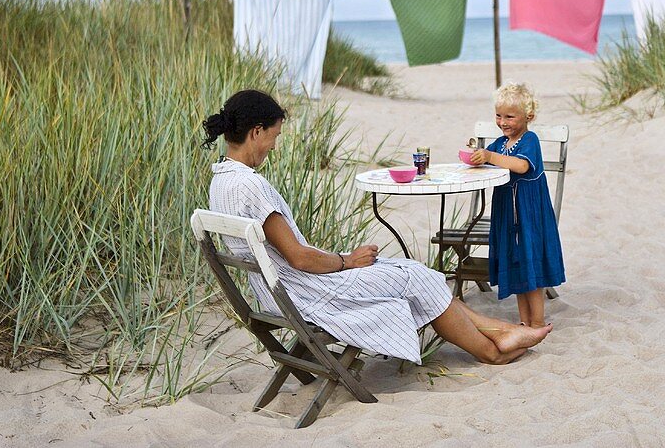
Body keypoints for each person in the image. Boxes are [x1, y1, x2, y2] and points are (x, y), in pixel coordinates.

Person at [201, 89, 552, 366]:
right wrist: (345, 260)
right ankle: (493, 350)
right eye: (274, 135)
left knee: (411, 271)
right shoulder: (251, 186)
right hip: (305, 293)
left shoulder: (222, 181)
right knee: (416, 276)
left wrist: (343, 259)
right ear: (256, 131)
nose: (275, 144)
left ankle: (503, 331)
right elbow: (299, 258)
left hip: (277, 293)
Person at [468, 82, 566, 328]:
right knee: (518, 266)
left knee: (530, 265)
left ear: (528, 116)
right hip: (507, 214)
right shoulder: (500, 143)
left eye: (510, 116)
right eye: (499, 116)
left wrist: (489, 157)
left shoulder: (529, 140)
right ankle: (525, 322)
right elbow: (489, 160)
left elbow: (521, 166)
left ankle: (538, 322)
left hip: (528, 215)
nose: (503, 122)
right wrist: (477, 156)